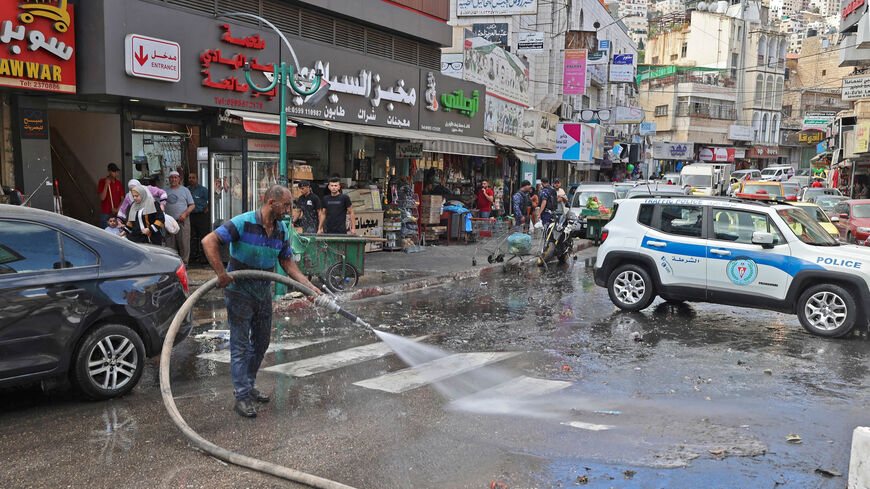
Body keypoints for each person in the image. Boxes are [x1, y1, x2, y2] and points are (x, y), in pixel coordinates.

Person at [201, 185, 322, 418]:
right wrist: (221, 274)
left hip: (262, 293)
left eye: (290, 206)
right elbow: (209, 241)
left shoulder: (281, 230)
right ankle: (242, 397)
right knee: (240, 346)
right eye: (285, 205)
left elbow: (287, 263)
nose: (289, 210)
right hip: (239, 292)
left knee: (261, 344)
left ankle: (248, 385)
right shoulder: (243, 222)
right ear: (271, 203)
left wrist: (308, 287)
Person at [164, 171, 195, 264]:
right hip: (169, 222)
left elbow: (192, 205)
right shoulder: (165, 191)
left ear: (179, 179)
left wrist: (185, 214)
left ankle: (184, 264)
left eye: (176, 177)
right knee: (170, 244)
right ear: (169, 179)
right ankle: (172, 264)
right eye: (172, 177)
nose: (174, 179)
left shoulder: (185, 190)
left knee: (184, 243)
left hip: (183, 221)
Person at [188, 172, 210, 264]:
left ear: (197, 179)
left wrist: (207, 208)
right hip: (190, 216)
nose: (191, 179)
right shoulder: (186, 190)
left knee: (203, 236)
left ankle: (204, 258)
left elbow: (212, 198)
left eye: (193, 177)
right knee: (192, 237)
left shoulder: (203, 190)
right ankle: (193, 257)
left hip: (201, 216)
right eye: (189, 178)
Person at [98, 163, 123, 229]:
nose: (116, 173)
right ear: (109, 171)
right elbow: (102, 198)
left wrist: (117, 209)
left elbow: (122, 199)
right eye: (114, 171)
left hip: (116, 214)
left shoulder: (119, 183)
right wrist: (106, 185)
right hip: (106, 214)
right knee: (106, 233)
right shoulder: (102, 181)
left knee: (116, 233)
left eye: (117, 171)